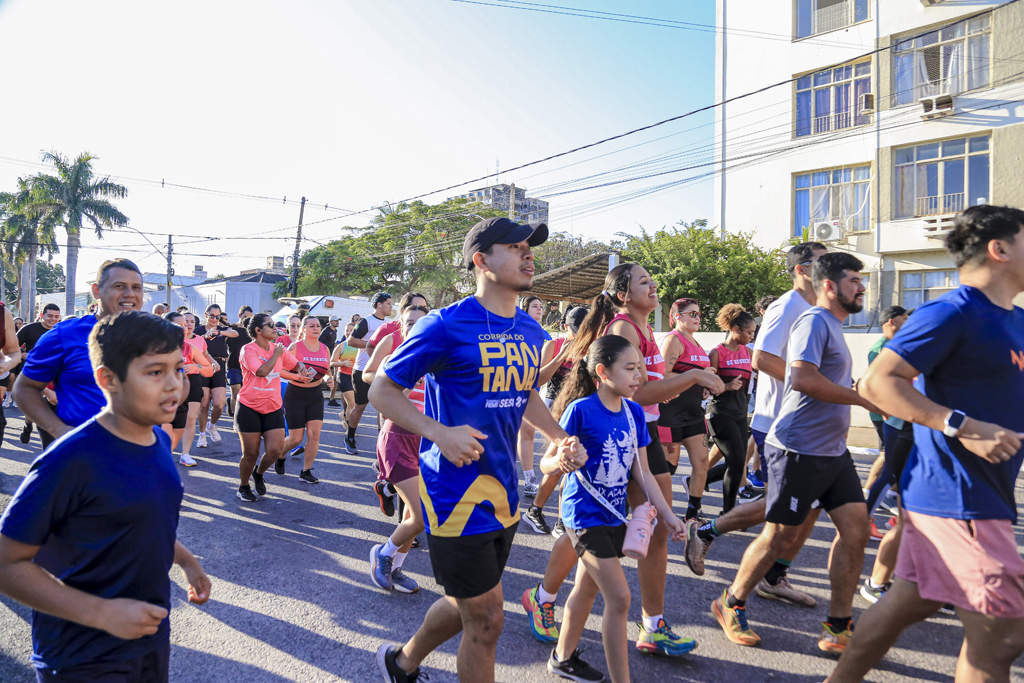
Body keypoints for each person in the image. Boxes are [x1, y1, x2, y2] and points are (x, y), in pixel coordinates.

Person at [370, 217, 582, 683]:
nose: (529, 254)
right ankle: (403, 663)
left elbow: (524, 393)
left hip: (504, 494)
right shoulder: (444, 325)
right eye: (515, 246)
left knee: (466, 603)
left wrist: (556, 436)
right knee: (487, 620)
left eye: (530, 247)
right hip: (454, 495)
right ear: (481, 260)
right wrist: (439, 432)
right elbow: (382, 390)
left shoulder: (530, 331)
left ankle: (401, 663)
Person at [828, 206, 1024, 683]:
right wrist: (960, 424)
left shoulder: (1015, 319)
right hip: (957, 497)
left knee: (909, 601)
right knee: (1003, 636)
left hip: (985, 494)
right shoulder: (952, 311)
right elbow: (877, 383)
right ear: (999, 250)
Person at [0, 310, 211, 683]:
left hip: (148, 637)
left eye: (178, 369)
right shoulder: (71, 459)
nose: (174, 386)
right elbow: (6, 563)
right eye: (154, 372)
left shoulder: (160, 440)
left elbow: (144, 517)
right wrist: (101, 614)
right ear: (107, 379)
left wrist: (188, 562)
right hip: (82, 655)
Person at [525, 264, 723, 658]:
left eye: (652, 280)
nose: (653, 286)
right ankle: (543, 597)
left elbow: (647, 396)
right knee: (587, 525)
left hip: (640, 434)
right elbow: (639, 393)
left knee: (652, 528)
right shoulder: (623, 329)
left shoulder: (646, 329)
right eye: (644, 282)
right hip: (614, 434)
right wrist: (695, 376)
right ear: (622, 295)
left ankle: (652, 625)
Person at [711, 252, 878, 653]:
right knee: (778, 538)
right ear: (829, 285)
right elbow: (802, 378)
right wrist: (863, 399)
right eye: (853, 279)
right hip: (799, 448)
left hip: (832, 451)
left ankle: (839, 625)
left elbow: (826, 377)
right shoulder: (814, 320)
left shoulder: (833, 325)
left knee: (855, 532)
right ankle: (730, 603)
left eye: (861, 279)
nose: (861, 287)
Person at [686, 243, 828, 614]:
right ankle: (709, 535)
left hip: (811, 425)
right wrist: (814, 387)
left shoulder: (818, 307)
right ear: (802, 268)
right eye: (822, 261)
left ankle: (774, 576)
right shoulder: (788, 306)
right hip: (780, 421)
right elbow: (762, 359)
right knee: (781, 507)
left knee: (812, 507)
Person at [541, 335, 689, 682]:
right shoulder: (581, 410)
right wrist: (561, 461)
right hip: (583, 517)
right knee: (620, 599)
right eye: (630, 368)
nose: (639, 376)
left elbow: (643, 472)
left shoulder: (635, 412)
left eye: (639, 368)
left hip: (613, 513)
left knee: (586, 589)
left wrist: (668, 516)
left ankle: (562, 659)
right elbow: (548, 464)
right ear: (603, 372)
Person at [14, 259, 143, 445]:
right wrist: (59, 430)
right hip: (83, 456)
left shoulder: (157, 336)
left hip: (142, 455)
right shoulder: (64, 334)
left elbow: (179, 385)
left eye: (136, 287)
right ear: (96, 291)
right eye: (119, 286)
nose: (130, 294)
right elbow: (24, 388)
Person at [364, 304, 430, 594]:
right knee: (422, 515)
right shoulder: (394, 358)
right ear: (403, 328)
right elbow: (380, 397)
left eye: (422, 322)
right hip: (397, 438)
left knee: (414, 516)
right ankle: (384, 554)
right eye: (410, 322)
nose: (416, 326)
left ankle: (396, 565)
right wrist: (405, 381)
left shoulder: (438, 362)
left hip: (426, 442)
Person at [523, 305, 588, 537]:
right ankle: (542, 513)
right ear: (564, 327)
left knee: (568, 465)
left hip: (580, 408)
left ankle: (550, 516)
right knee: (561, 463)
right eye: (575, 329)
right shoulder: (554, 344)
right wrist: (563, 354)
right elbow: (539, 378)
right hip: (555, 408)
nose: (579, 334)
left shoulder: (590, 345)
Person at [234, 313, 310, 502]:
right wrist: (276, 354)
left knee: (275, 451)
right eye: (270, 325)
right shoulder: (248, 349)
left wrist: (300, 366)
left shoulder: (279, 349)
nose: (275, 328)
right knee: (250, 453)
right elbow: (260, 371)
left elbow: (293, 364)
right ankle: (243, 486)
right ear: (258, 331)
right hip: (249, 406)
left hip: (273, 406)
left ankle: (258, 473)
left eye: (274, 325)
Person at [658, 297, 712, 520]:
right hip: (670, 414)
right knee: (667, 469)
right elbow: (662, 374)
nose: (697, 317)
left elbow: (700, 375)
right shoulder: (674, 340)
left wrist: (706, 383)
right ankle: (653, 510)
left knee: (702, 462)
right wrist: (697, 378)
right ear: (677, 316)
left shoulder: (697, 343)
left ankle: (692, 513)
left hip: (694, 413)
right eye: (693, 314)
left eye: (699, 314)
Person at [861, 305, 910, 542]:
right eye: (904, 317)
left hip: (909, 418)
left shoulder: (903, 345)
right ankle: (865, 518)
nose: (908, 320)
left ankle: (901, 518)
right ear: (891, 321)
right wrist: (883, 411)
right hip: (892, 418)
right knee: (889, 467)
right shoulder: (881, 349)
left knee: (904, 469)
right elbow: (873, 384)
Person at [705, 304, 756, 513]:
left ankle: (696, 480)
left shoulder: (749, 352)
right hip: (719, 413)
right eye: (749, 332)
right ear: (735, 330)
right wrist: (725, 386)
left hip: (739, 414)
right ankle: (728, 512)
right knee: (736, 462)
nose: (752, 336)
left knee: (737, 464)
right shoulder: (717, 353)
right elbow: (706, 387)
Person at [277, 315, 333, 484]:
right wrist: (298, 378)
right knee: (295, 438)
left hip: (315, 396)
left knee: (314, 434)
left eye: (318, 326)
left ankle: (306, 471)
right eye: (311, 326)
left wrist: (328, 379)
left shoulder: (324, 348)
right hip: (295, 394)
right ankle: (280, 454)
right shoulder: (295, 347)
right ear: (303, 329)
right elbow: (279, 370)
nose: (316, 328)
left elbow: (326, 371)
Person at [161, 311, 213, 462]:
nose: (185, 328)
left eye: (186, 325)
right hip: (167, 390)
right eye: (179, 325)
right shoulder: (157, 347)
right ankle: (164, 456)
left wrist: (196, 367)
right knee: (167, 422)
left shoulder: (189, 348)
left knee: (190, 419)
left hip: (191, 385)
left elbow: (209, 370)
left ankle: (185, 454)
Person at [346, 292, 392, 455]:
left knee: (383, 408)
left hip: (381, 372)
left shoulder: (388, 324)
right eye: (388, 303)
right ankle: (350, 436)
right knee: (360, 407)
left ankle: (382, 442)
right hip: (362, 370)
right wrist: (374, 344)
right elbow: (351, 341)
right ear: (379, 305)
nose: (391, 306)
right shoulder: (366, 321)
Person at [517, 294, 551, 499]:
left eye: (540, 306)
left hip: (532, 389)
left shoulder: (545, 336)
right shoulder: (516, 331)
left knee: (528, 431)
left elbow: (543, 369)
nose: (539, 309)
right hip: (509, 386)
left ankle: (530, 479)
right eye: (534, 306)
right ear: (525, 309)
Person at [16, 304, 60, 446]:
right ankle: (28, 424)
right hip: (33, 374)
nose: (53, 319)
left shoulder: (61, 331)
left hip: (55, 375)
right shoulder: (29, 329)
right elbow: (12, 347)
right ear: (42, 315)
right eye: (50, 316)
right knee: (33, 409)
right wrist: (25, 355)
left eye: (56, 316)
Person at [193, 304, 237, 448]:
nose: (214, 319)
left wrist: (218, 332)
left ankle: (212, 425)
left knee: (219, 404)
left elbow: (235, 333)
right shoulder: (198, 330)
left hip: (219, 365)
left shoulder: (222, 329)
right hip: (203, 365)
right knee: (204, 403)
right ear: (206, 315)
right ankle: (201, 435)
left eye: (217, 317)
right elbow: (191, 342)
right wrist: (203, 337)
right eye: (212, 316)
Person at [226, 305, 253, 418]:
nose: (247, 320)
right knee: (236, 391)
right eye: (245, 317)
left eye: (250, 318)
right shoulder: (232, 330)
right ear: (239, 316)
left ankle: (243, 417)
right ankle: (235, 420)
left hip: (248, 367)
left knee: (245, 394)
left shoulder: (252, 334)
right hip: (233, 365)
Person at [329, 322, 357, 420]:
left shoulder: (361, 345)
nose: (349, 333)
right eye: (347, 331)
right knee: (352, 403)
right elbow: (331, 363)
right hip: (344, 375)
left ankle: (345, 416)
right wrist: (342, 363)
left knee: (356, 405)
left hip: (357, 377)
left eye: (351, 330)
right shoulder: (341, 346)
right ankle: (350, 431)